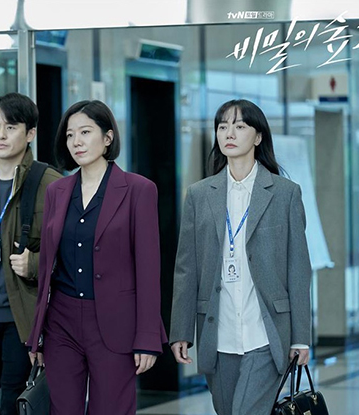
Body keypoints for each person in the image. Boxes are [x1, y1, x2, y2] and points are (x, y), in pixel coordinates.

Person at [169, 99, 312, 415]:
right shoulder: (199, 195)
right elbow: (186, 267)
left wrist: (301, 337)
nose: (229, 133)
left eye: (239, 126)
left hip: (267, 333)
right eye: (222, 127)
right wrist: (180, 329)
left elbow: (299, 268)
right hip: (218, 335)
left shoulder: (285, 193)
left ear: (258, 136)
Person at [26, 100, 167, 414]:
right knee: (62, 409)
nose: (76, 141)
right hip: (61, 321)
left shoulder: (139, 190)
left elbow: (148, 269)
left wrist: (147, 337)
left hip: (115, 322)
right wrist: (37, 336)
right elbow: (48, 268)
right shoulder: (57, 191)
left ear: (107, 137)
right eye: (70, 135)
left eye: (85, 132)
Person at [0, 93, 61, 415]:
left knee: (15, 402)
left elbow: (72, 252)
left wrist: (35, 263)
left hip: (22, 319)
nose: (1, 135)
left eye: (10, 127)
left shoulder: (50, 183)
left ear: (30, 133)